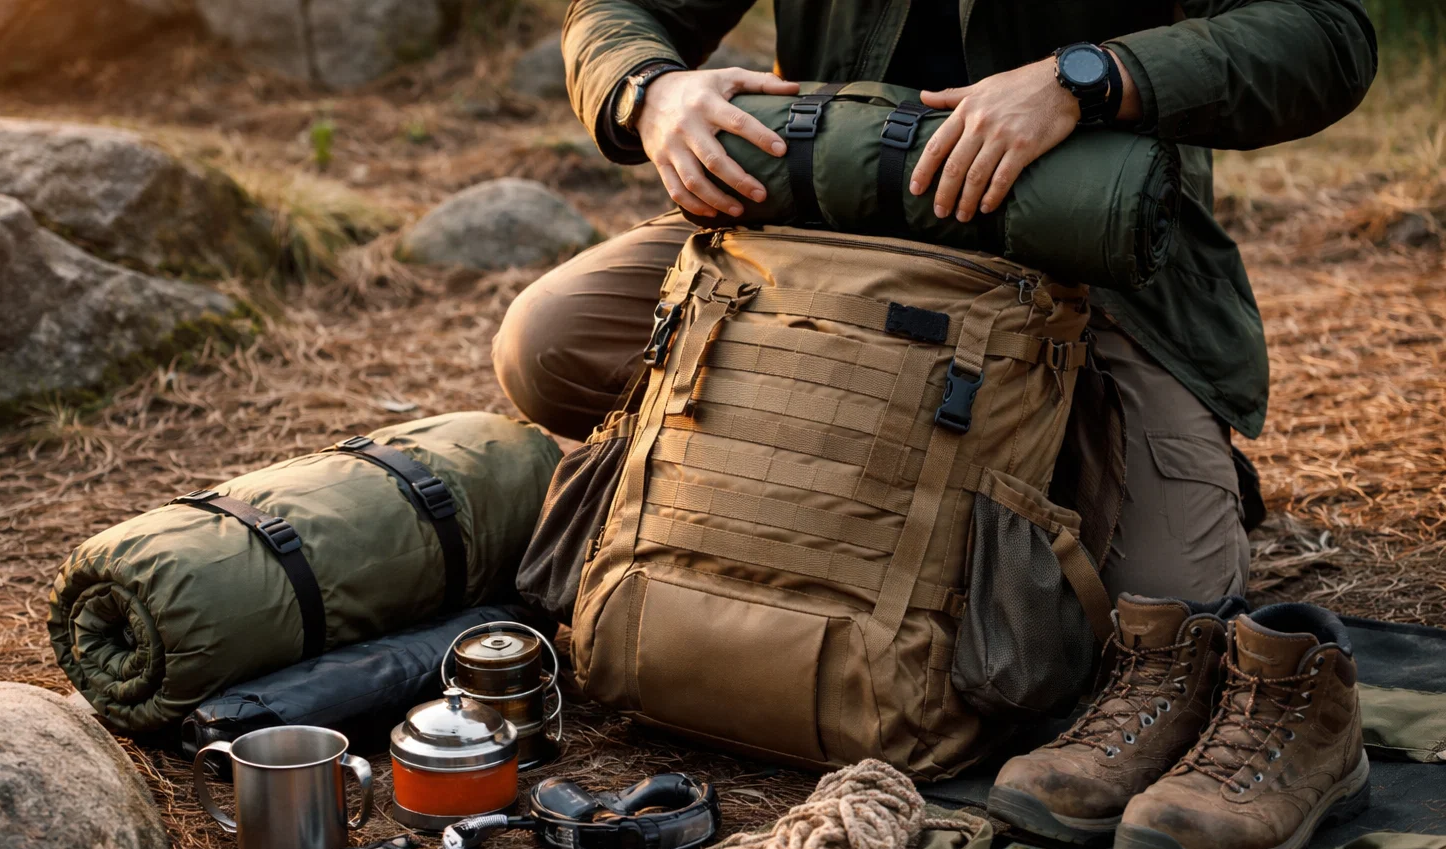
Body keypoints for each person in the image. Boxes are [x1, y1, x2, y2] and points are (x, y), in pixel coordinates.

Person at [493, 0, 1376, 604]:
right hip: (824, 232)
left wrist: (1087, 79)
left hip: (1082, 260)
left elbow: (1326, 35)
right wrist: (651, 90)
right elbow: (614, 11)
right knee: (548, 342)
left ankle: (1051, 453)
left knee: (1168, 596)